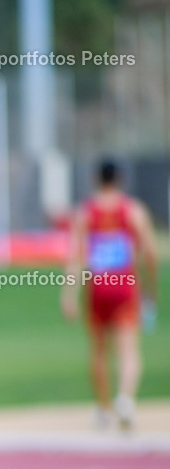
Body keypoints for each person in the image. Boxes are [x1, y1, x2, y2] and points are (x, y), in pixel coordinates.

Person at [62, 160, 158, 430]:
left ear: (96, 179)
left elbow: (76, 257)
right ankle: (125, 399)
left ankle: (103, 408)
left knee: (99, 351)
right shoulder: (133, 210)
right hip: (125, 285)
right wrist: (151, 287)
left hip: (98, 287)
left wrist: (69, 295)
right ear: (121, 179)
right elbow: (150, 251)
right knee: (128, 349)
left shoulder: (86, 212)